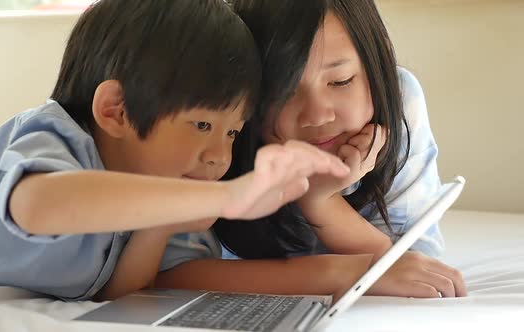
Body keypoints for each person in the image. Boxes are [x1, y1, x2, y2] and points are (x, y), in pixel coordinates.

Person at [0, 0, 350, 302]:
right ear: (116, 111)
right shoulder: (55, 141)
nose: (219, 157)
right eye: (202, 125)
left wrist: (160, 226)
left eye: (232, 133)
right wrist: (228, 195)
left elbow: (121, 293)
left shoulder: (145, 193)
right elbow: (36, 207)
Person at [154, 0, 467, 299]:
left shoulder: (400, 103)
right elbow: (172, 270)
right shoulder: (223, 125)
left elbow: (419, 267)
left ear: (378, 63)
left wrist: (323, 203)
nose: (317, 115)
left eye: (341, 81)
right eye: (284, 91)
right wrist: (346, 271)